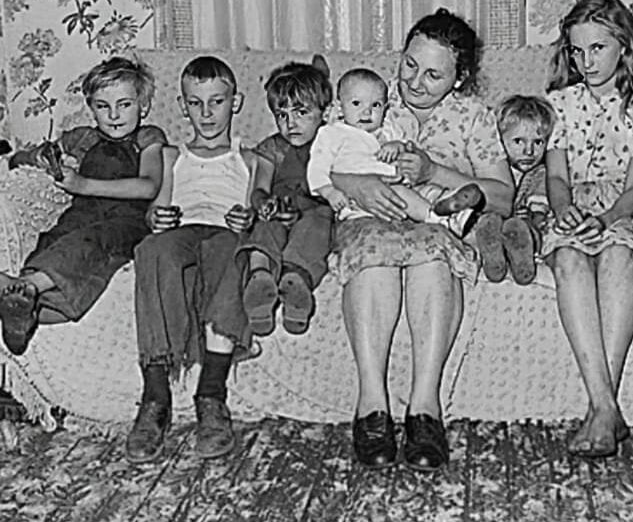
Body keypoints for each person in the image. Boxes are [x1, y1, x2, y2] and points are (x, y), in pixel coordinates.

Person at [327, 9, 514, 471]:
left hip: (435, 223)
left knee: (432, 258)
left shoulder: (473, 117)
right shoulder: (367, 98)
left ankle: (424, 409)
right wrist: (356, 185)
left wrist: (435, 172)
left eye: (433, 74)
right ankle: (371, 404)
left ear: (458, 79)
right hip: (369, 217)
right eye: (409, 64)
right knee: (374, 256)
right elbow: (323, 161)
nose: (414, 82)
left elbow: (503, 196)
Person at [125, 55, 273, 464]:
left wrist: (249, 214)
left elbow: (259, 207)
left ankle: (211, 394)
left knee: (234, 250)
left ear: (235, 102)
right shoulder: (172, 157)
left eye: (217, 101)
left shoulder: (251, 158)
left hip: (226, 234)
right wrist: (156, 217)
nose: (206, 113)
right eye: (196, 103)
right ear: (182, 104)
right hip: (181, 231)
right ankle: (155, 397)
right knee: (152, 249)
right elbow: (154, 210)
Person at [543, 0, 633, 458]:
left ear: (624, 48)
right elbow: (556, 176)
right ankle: (606, 409)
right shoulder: (559, 104)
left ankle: (600, 407)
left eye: (597, 48)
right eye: (577, 51)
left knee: (618, 259)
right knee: (570, 261)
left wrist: (610, 218)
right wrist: (564, 211)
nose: (586, 61)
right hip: (572, 201)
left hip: (621, 206)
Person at [0, 57, 166, 356]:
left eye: (124, 104)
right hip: (80, 215)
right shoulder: (83, 137)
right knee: (55, 243)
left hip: (127, 222)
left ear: (143, 106)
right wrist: (34, 157)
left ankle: (23, 287)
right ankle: (22, 312)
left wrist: (83, 185)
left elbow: (148, 185)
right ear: (91, 108)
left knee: (88, 245)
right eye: (103, 106)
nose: (114, 114)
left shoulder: (148, 138)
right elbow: (20, 158)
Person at [308, 67, 484, 237]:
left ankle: (454, 207)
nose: (367, 111)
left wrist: (397, 146)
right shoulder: (333, 133)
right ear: (339, 108)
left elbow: (409, 147)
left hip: (402, 185)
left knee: (427, 191)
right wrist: (329, 191)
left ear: (385, 108)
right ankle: (439, 220)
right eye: (356, 103)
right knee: (403, 195)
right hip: (359, 201)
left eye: (375, 105)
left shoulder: (387, 129)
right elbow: (317, 167)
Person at [234, 58, 336, 337]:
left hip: (315, 209)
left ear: (323, 111)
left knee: (317, 225)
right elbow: (259, 187)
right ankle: (260, 280)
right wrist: (263, 203)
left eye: (301, 112)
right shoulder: (272, 147)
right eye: (282, 115)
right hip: (278, 208)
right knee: (264, 227)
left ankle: (295, 283)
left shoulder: (331, 143)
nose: (290, 123)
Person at [475, 95, 555, 285]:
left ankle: (521, 261)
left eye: (538, 142)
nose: (529, 151)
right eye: (519, 141)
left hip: (526, 226)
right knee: (487, 222)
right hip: (493, 223)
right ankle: (494, 259)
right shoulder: (492, 168)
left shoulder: (541, 173)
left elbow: (539, 206)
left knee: (525, 231)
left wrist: (532, 220)